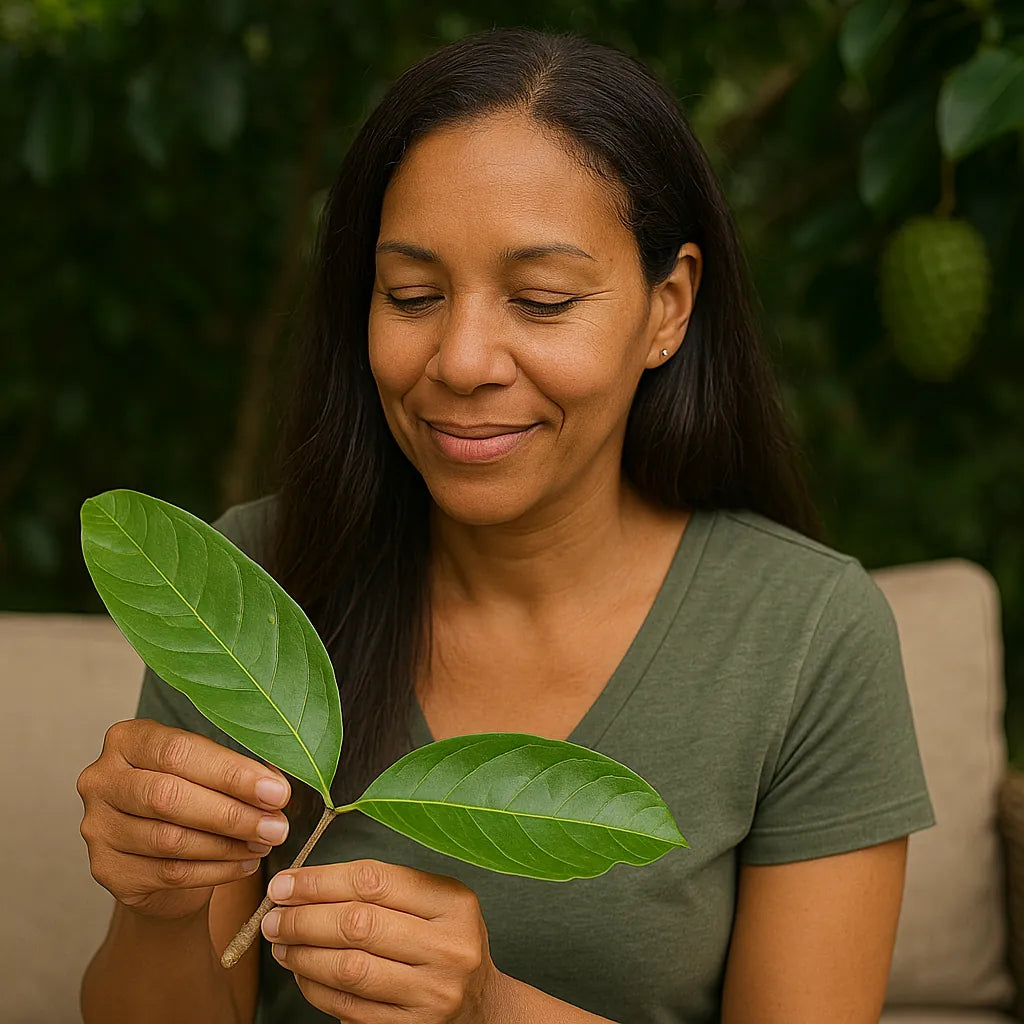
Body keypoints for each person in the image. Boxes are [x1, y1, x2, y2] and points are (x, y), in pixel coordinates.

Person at [76, 25, 936, 1024]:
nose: (463, 359)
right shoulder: (247, 584)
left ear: (668, 308)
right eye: (412, 294)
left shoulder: (807, 634)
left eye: (539, 300)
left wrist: (489, 1007)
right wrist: (158, 903)